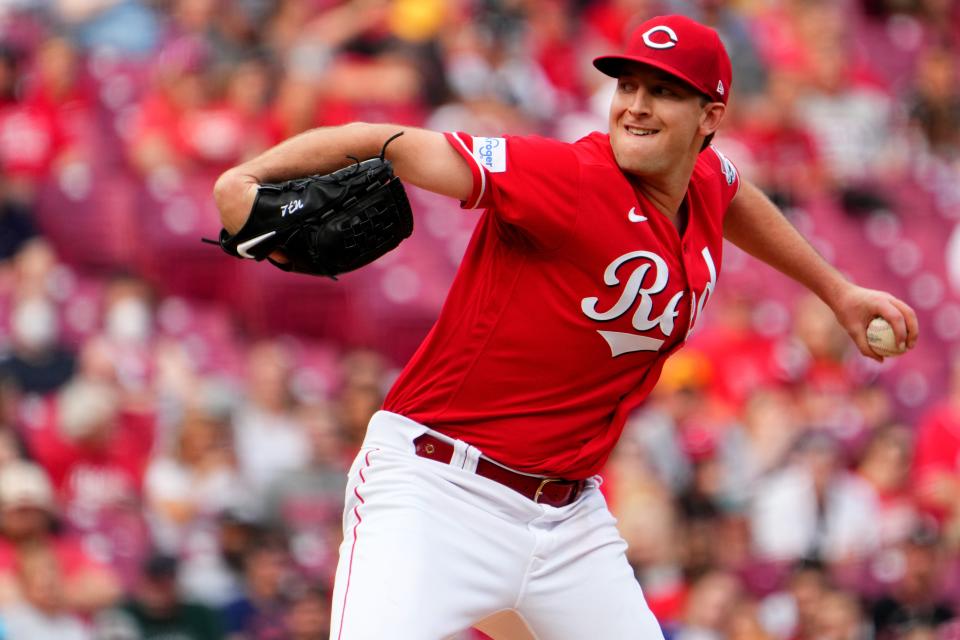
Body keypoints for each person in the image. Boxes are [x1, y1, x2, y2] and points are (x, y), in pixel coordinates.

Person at [213, 14, 919, 639]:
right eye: (628, 87)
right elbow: (389, 142)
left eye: (664, 92)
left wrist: (838, 291)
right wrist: (243, 177)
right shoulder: (565, 178)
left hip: (567, 521)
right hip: (437, 493)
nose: (636, 107)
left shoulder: (704, 181)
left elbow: (733, 192)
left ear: (710, 116)